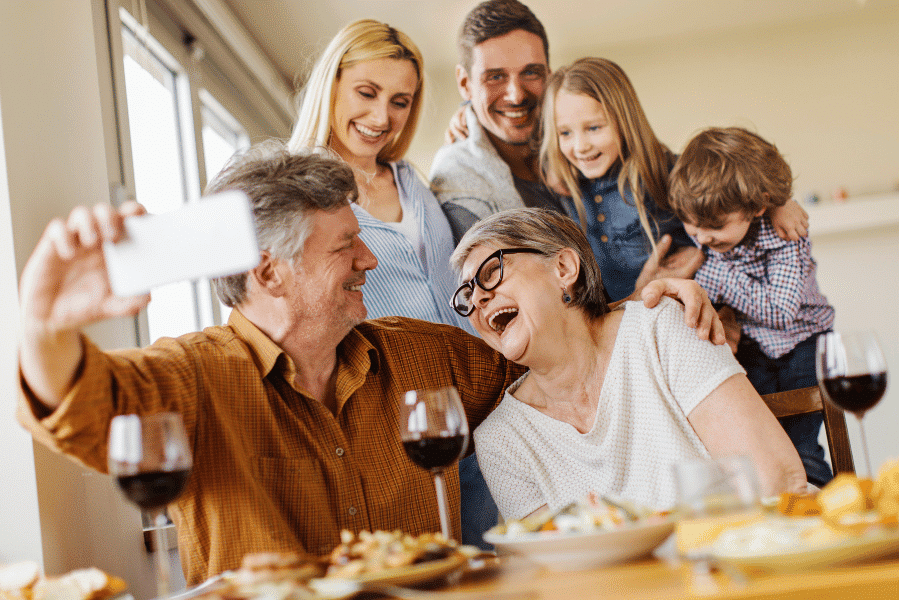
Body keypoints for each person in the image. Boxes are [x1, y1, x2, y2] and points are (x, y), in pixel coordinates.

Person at [17, 143, 723, 583]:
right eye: (345, 247)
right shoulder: (196, 376)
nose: (369, 260)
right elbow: (81, 407)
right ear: (270, 272)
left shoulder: (421, 353)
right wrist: (45, 323)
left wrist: (644, 307)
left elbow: (555, 349)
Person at [449, 208, 809, 518]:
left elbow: (776, 480)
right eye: (466, 295)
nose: (478, 298)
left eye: (490, 273)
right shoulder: (501, 441)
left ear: (563, 267)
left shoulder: (662, 328)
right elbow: (546, 571)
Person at [287, 19, 497, 548]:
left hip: (474, 409)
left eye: (400, 101)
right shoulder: (296, 192)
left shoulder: (410, 180)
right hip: (388, 419)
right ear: (330, 84)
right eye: (367, 92)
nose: (382, 117)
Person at [539, 57, 811, 303]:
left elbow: (736, 181)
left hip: (688, 308)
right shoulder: (567, 189)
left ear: (625, 120)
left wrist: (780, 203)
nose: (580, 146)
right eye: (565, 134)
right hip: (625, 317)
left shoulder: (664, 169)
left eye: (594, 128)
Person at [667, 126, 836, 487]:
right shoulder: (708, 234)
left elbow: (780, 311)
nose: (702, 238)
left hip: (805, 347)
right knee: (759, 445)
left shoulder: (786, 237)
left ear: (758, 206)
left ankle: (818, 508)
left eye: (713, 227)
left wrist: (712, 279)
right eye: (691, 226)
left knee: (801, 447)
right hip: (754, 350)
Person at [429, 0, 569, 241]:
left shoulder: (580, 141)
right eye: (495, 77)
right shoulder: (458, 178)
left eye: (531, 72)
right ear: (465, 84)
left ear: (549, 74)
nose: (516, 95)